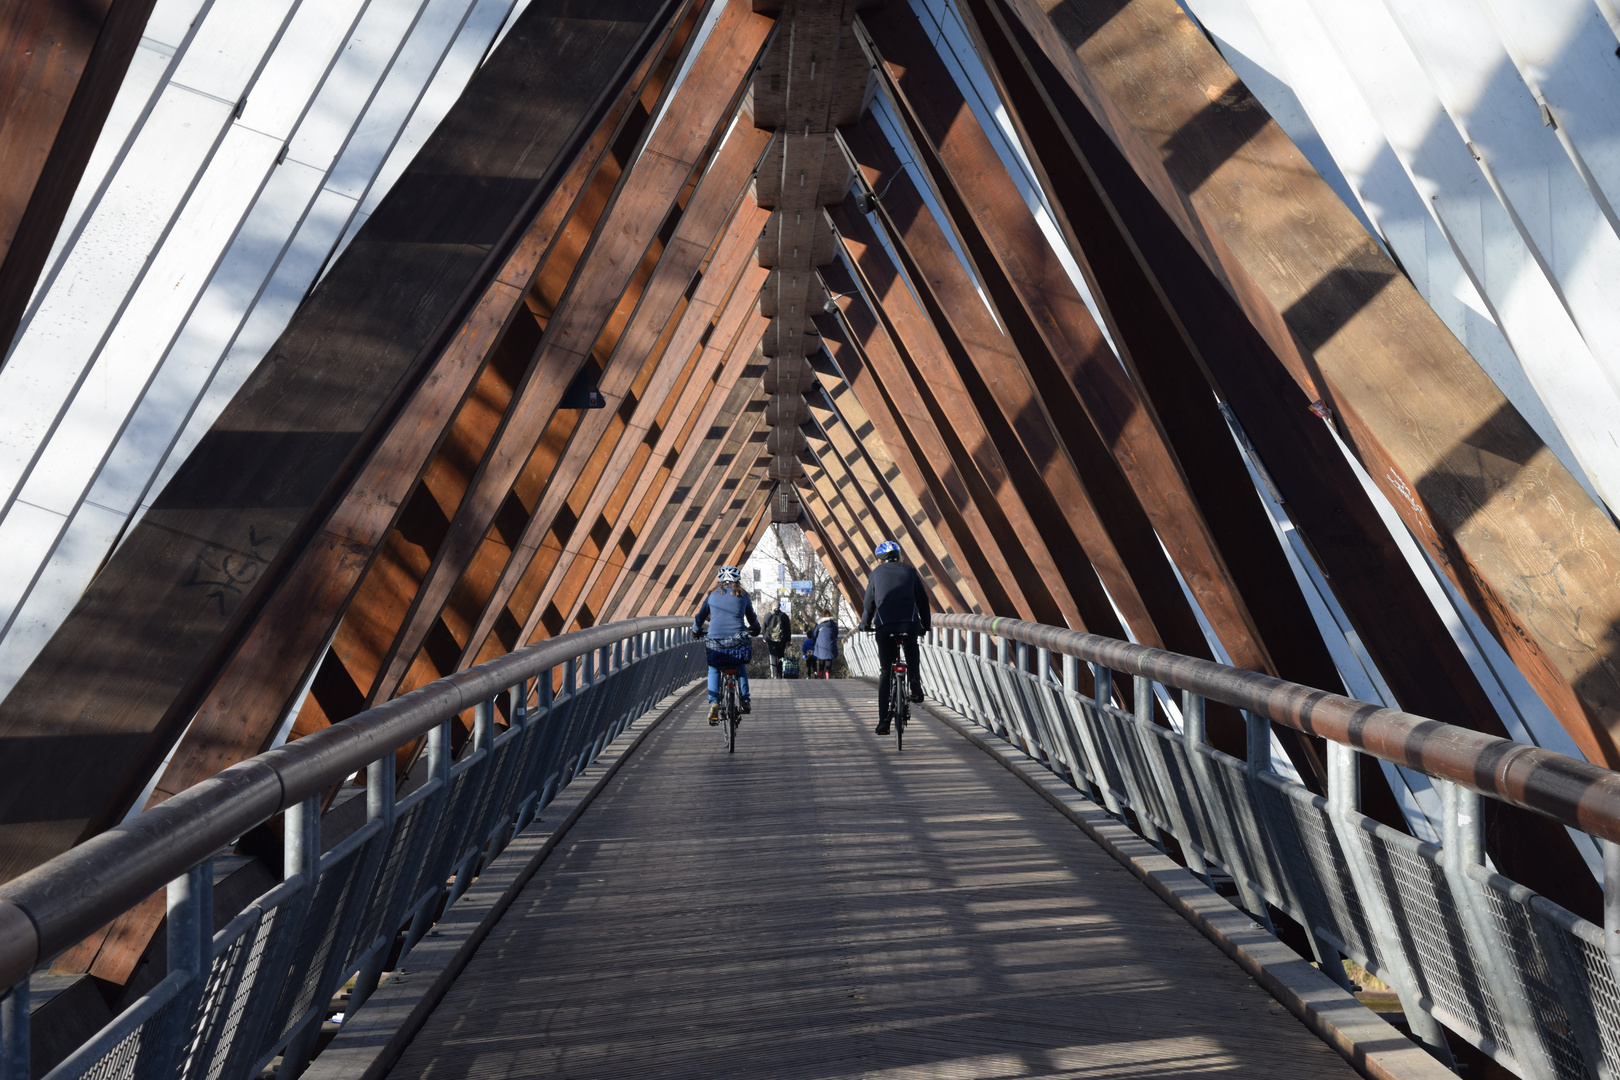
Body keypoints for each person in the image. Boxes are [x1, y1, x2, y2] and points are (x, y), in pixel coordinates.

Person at [856, 540, 931, 734]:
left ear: (880, 560)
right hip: (909, 622)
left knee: (885, 672)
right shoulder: (910, 572)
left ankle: (883, 721)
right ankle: (914, 679)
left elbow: (869, 604)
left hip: (885, 624)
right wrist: (926, 624)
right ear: (899, 556)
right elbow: (923, 600)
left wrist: (864, 624)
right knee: (911, 645)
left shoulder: (875, 574)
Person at [692, 565, 761, 724]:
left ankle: (714, 701)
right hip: (738, 641)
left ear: (720, 580)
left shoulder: (712, 596)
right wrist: (755, 629)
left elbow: (700, 617)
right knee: (740, 665)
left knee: (714, 668)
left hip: (716, 641)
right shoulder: (743, 595)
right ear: (738, 579)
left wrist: (696, 631)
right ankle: (745, 700)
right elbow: (752, 618)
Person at [761, 601, 792, 678]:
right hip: (782, 640)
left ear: (773, 606)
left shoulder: (767, 615)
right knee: (781, 656)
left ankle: (774, 675)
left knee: (772, 657)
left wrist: (764, 637)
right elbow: (788, 629)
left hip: (770, 640)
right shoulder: (784, 616)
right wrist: (788, 640)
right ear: (779, 607)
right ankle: (780, 674)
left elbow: (764, 628)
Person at [810, 607, 839, 677]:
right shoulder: (833, 624)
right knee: (829, 658)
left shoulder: (819, 624)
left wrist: (814, 642)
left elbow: (814, 634)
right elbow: (836, 633)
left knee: (821, 658)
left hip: (821, 644)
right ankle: (827, 673)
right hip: (830, 643)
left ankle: (821, 673)